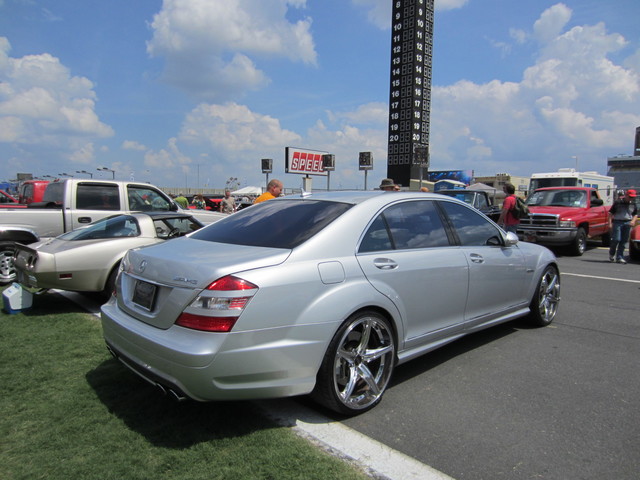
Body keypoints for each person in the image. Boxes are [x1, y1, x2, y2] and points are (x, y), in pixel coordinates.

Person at [608, 189, 637, 264]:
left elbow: (635, 214)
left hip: (627, 222)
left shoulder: (633, 204)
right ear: (626, 195)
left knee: (623, 241)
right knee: (616, 239)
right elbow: (610, 213)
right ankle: (611, 253)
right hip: (618, 222)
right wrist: (610, 223)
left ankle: (619, 257)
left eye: (633, 197)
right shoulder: (618, 202)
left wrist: (633, 221)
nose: (631, 198)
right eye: (630, 197)